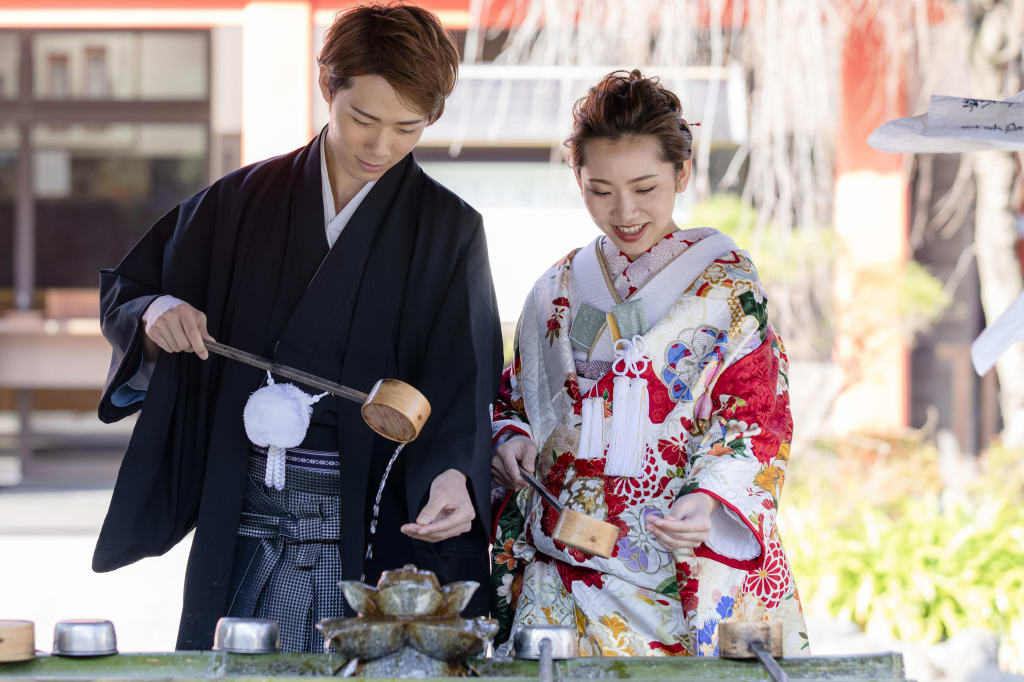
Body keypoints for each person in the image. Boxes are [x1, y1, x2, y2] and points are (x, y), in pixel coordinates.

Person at [94, 3, 503, 653]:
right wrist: (154, 313)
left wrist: (454, 475)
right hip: (247, 517)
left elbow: (464, 375)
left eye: (407, 128)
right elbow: (130, 287)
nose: (380, 146)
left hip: (378, 519)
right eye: (362, 118)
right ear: (327, 88)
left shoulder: (448, 230)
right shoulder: (239, 202)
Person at [488, 70, 807, 656]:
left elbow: (756, 420)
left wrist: (709, 499)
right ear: (577, 177)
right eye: (600, 190)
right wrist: (509, 438)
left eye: (645, 187)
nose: (624, 211)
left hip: (671, 556)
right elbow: (514, 398)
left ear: (681, 173)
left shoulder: (725, 288)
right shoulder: (556, 288)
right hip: (558, 558)